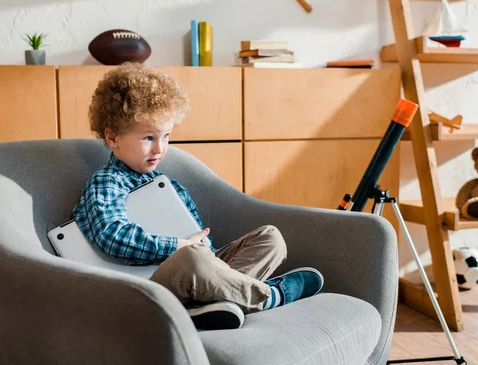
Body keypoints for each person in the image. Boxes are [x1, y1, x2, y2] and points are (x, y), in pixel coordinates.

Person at [72, 62, 324, 330]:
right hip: (147, 288)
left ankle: (212, 304)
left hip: (191, 274)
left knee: (270, 238)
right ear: (112, 138)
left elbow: (205, 249)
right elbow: (111, 236)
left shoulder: (168, 185)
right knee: (193, 258)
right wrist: (179, 247)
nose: (160, 148)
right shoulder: (107, 181)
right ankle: (269, 295)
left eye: (166, 136)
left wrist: (202, 255)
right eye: (148, 137)